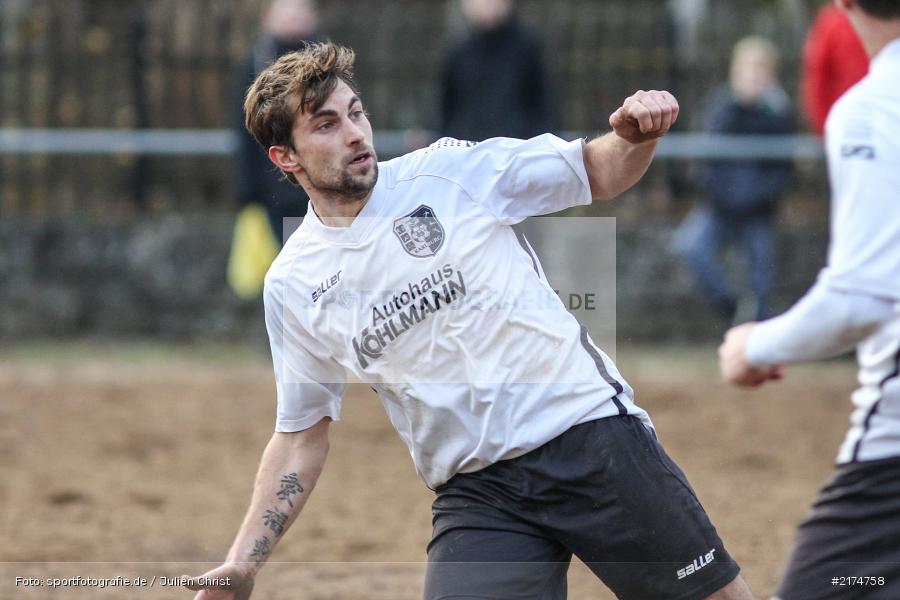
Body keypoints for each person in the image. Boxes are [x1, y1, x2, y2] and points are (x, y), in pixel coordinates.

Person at [184, 42, 754, 600]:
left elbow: (596, 171)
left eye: (355, 113)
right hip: (480, 493)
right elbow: (301, 436)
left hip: (586, 437)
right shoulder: (294, 282)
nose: (355, 132)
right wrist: (243, 563)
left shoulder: (450, 171)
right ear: (285, 156)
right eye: (326, 125)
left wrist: (635, 135)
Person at [719, 2, 900, 598]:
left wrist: (755, 344)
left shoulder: (872, 109)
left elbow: (857, 300)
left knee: (823, 585)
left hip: (890, 454)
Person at [675, 36, 794, 325]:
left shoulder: (778, 116)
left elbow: (783, 171)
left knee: (761, 281)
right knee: (691, 247)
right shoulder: (719, 109)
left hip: (757, 211)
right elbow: (705, 161)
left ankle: (758, 341)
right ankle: (732, 310)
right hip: (718, 206)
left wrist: (754, 197)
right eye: (747, 71)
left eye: (760, 72)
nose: (753, 79)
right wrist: (723, 195)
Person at [234, 0, 325, 244]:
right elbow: (243, 131)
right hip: (277, 191)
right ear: (268, 18)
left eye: (300, 8)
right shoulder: (254, 63)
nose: (294, 15)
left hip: (323, 186)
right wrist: (249, 190)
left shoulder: (329, 63)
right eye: (286, 9)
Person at [439, 0, 554, 141]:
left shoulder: (528, 47)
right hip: (467, 150)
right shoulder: (456, 50)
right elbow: (445, 109)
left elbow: (544, 106)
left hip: (516, 150)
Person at [801, 2, 869, 137]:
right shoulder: (832, 20)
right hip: (848, 120)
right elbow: (817, 76)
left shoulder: (832, 19)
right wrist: (826, 128)